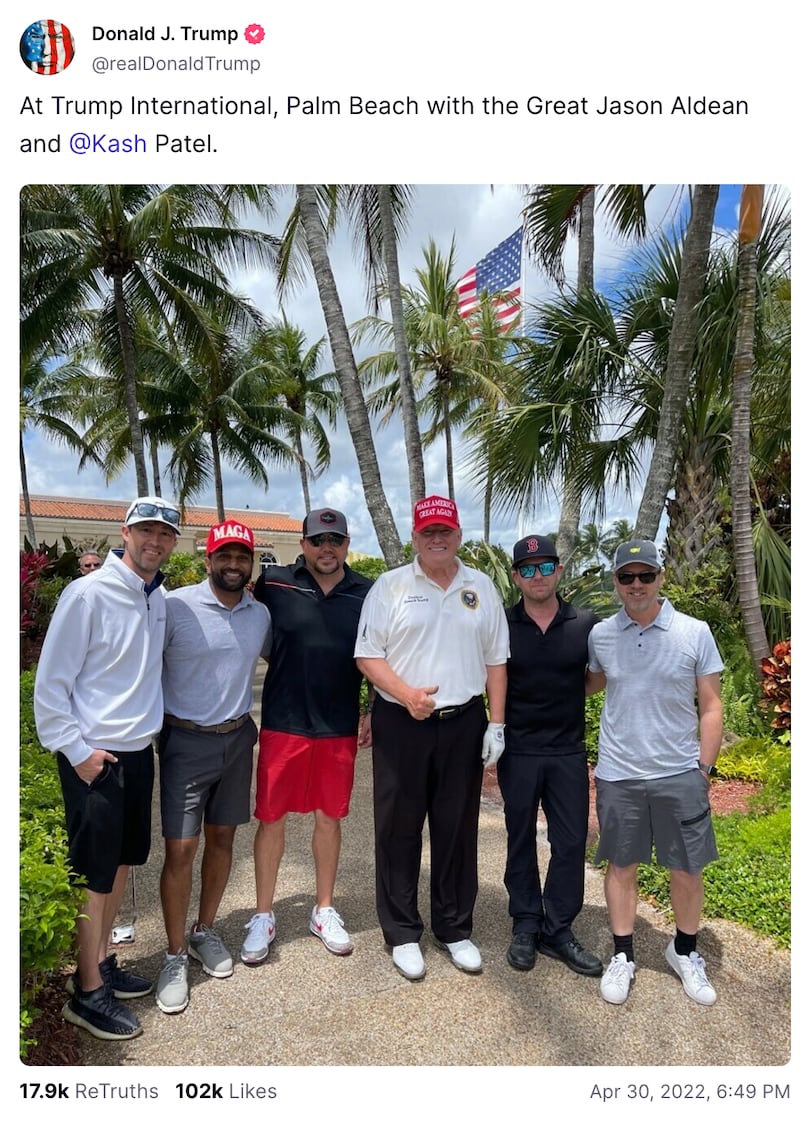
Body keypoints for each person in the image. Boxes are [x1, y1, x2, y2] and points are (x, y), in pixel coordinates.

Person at [33, 496, 180, 1041]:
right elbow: (51, 687)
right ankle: (86, 990)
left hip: (137, 753)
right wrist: (79, 753)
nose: (155, 542)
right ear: (126, 532)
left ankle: (100, 961)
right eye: (146, 531)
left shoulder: (155, 596)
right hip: (95, 757)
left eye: (165, 535)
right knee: (94, 874)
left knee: (120, 864)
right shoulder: (87, 593)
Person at [355, 495, 509, 981]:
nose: (437, 538)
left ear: (459, 535)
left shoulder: (480, 587)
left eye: (445, 530)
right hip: (402, 722)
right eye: (428, 532)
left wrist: (496, 724)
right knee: (399, 828)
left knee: (457, 828)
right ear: (415, 538)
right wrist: (406, 695)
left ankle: (454, 927)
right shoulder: (391, 586)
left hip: (464, 722)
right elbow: (367, 656)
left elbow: (496, 661)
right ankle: (402, 932)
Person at [586, 539, 724, 1007]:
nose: (637, 584)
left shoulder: (694, 631)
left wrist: (703, 770)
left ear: (661, 577)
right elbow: (591, 683)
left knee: (686, 868)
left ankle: (683, 949)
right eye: (627, 577)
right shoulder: (602, 635)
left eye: (646, 575)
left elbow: (711, 704)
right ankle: (623, 955)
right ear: (617, 583)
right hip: (619, 774)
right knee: (621, 866)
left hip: (679, 772)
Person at [240, 508, 372, 965]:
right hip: (284, 722)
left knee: (329, 819)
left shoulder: (366, 592)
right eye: (318, 540)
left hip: (337, 726)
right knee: (271, 818)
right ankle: (262, 915)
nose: (327, 548)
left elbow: (376, 652)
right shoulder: (273, 583)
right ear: (304, 544)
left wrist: (371, 707)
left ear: (347, 544)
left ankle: (324, 909)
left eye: (335, 540)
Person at [155, 519, 271, 1014]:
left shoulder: (260, 613)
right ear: (207, 559)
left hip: (238, 737)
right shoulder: (174, 606)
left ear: (251, 564)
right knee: (181, 849)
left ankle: (204, 931)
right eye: (224, 556)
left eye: (241, 557)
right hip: (185, 741)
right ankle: (174, 953)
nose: (232, 565)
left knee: (223, 839)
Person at [500, 534, 603, 977]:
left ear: (560, 571)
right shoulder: (502, 624)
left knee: (570, 842)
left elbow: (597, 677)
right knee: (519, 836)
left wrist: (564, 695)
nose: (537, 576)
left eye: (545, 567)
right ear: (515, 576)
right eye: (527, 568)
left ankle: (558, 929)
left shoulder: (586, 623)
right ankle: (526, 922)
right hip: (518, 750)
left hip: (567, 750)